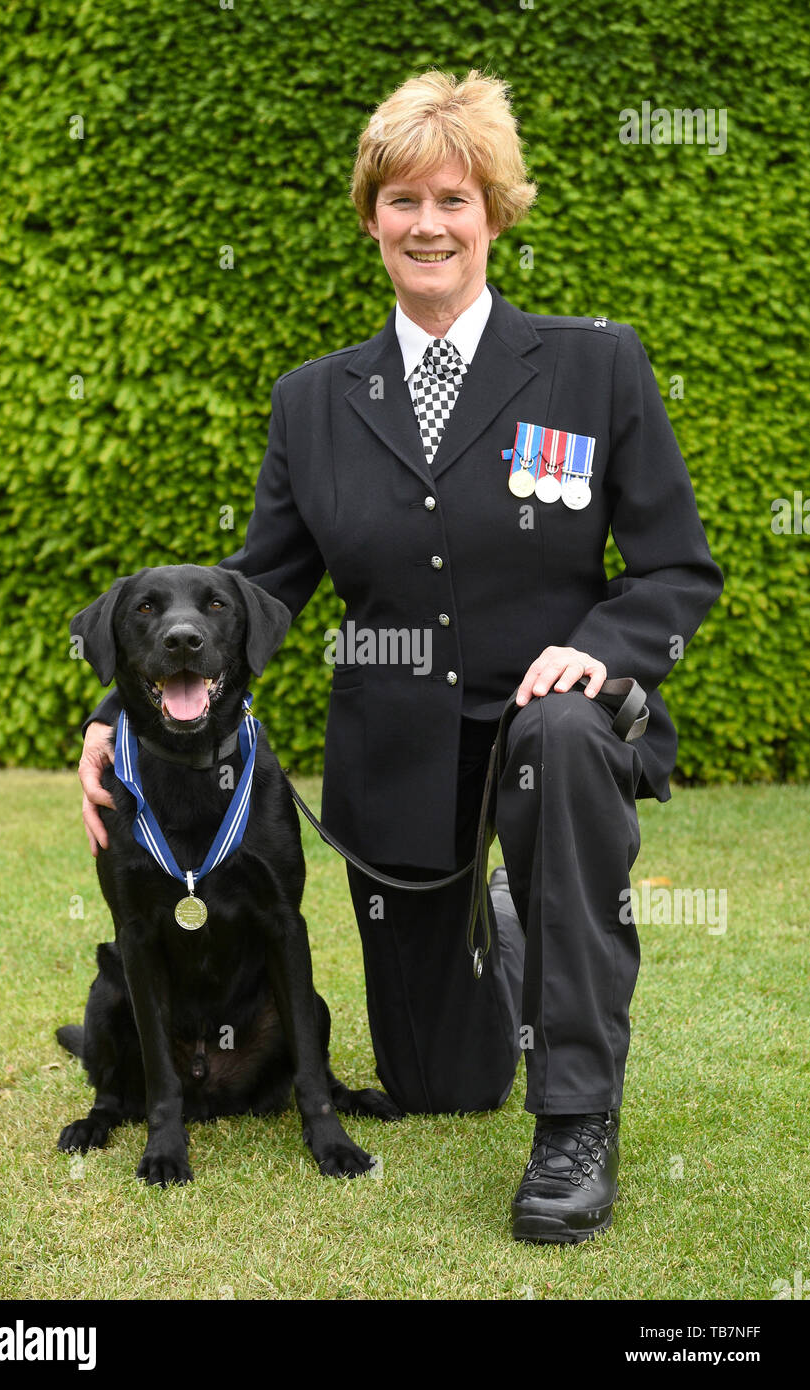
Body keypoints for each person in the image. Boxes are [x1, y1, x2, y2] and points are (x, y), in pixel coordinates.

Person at [78, 69, 723, 1244]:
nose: (429, 223)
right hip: (398, 761)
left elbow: (680, 572)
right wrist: (116, 719)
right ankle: (499, 928)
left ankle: (575, 1120)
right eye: (402, 200)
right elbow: (252, 594)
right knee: (443, 1086)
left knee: (562, 740)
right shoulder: (312, 400)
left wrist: (596, 652)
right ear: (371, 217)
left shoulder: (596, 365)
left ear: (493, 214)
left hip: (549, 727)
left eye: (454, 198)